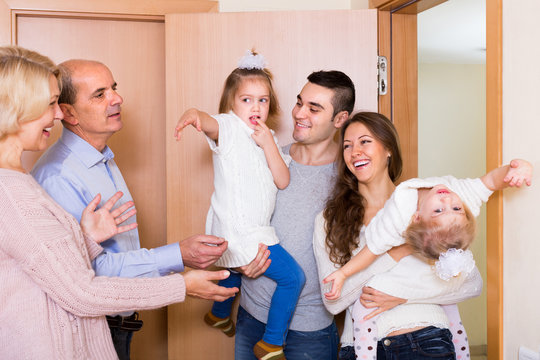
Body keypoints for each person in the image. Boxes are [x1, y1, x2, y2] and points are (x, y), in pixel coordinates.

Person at [0, 45, 237, 359]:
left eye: (114, 89)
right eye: (51, 104)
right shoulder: (28, 189)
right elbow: (82, 290)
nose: (57, 114)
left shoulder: (25, 181)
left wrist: (85, 238)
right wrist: (181, 284)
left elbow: (54, 266)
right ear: (16, 109)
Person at [313, 112, 493, 359]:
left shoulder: (425, 204)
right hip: (360, 347)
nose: (355, 152)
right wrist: (396, 252)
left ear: (388, 149)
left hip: (427, 339)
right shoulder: (328, 219)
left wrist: (402, 296)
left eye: (365, 141)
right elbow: (333, 301)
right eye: (347, 145)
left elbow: (471, 284)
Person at [174, 50, 305, 360]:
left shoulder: (266, 136)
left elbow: (282, 179)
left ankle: (218, 314)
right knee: (293, 278)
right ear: (231, 104)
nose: (256, 107)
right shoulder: (229, 127)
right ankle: (272, 342)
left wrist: (269, 143)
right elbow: (210, 124)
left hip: (241, 228)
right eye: (246, 100)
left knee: (232, 271)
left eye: (263, 100)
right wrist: (194, 113)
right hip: (242, 229)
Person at [233, 70, 355, 360]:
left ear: (340, 119)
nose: (299, 113)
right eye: (300, 102)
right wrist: (239, 262)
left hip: (311, 330)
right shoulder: (269, 158)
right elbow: (235, 218)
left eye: (314, 108)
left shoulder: (350, 177)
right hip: (253, 317)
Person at [324, 159, 533, 299]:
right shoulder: (463, 196)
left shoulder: (399, 215)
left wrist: (343, 273)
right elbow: (492, 181)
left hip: (380, 238)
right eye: (456, 208)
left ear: (416, 218)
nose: (447, 199)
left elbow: (371, 250)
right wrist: (516, 169)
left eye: (438, 210)